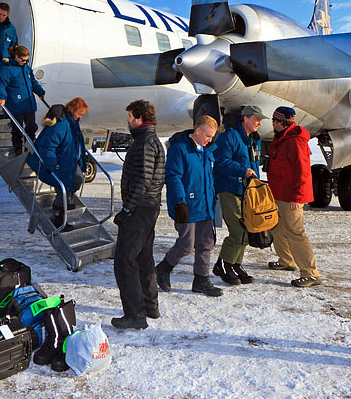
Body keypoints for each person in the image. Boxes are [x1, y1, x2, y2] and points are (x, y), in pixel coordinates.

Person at [155, 115, 222, 298]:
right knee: (186, 245)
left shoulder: (207, 151)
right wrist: (180, 203)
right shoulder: (180, 149)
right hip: (187, 205)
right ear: (198, 130)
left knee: (206, 243)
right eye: (208, 135)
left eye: (212, 137)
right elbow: (173, 177)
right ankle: (162, 269)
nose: (210, 140)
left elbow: (208, 177)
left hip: (205, 205)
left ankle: (201, 280)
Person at [112, 100, 165, 330]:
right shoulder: (152, 140)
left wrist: (127, 209)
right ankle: (149, 305)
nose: (128, 120)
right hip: (149, 207)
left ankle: (135, 314)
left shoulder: (145, 143)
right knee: (144, 258)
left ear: (140, 119)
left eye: (131, 116)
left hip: (140, 209)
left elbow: (143, 180)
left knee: (125, 261)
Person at [210, 104, 267, 286]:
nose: (259, 122)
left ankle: (234, 264)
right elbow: (219, 162)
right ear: (245, 118)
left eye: (260, 119)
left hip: (246, 191)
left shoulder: (253, 139)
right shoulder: (230, 137)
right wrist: (243, 171)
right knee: (238, 230)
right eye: (256, 118)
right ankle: (223, 264)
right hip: (229, 189)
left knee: (246, 227)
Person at [267, 106, 321, 288]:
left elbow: (302, 171)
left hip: (290, 197)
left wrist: (297, 198)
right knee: (278, 228)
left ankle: (310, 274)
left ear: (282, 123)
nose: (272, 123)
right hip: (280, 194)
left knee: (296, 233)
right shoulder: (282, 138)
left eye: (275, 121)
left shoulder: (295, 141)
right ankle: (286, 260)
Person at [28, 104, 84, 218]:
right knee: (64, 183)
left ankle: (67, 201)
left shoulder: (64, 125)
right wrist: (51, 166)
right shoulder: (60, 126)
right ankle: (59, 216)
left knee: (77, 179)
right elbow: (47, 147)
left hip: (63, 161)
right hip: (50, 164)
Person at [0, 45, 46, 156]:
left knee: (31, 127)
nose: (24, 62)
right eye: (22, 60)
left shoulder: (26, 68)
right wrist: (2, 97)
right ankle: (18, 149)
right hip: (15, 104)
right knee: (17, 129)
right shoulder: (7, 69)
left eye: (26, 60)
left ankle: (30, 148)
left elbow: (33, 82)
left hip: (28, 103)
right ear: (16, 56)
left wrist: (40, 92)